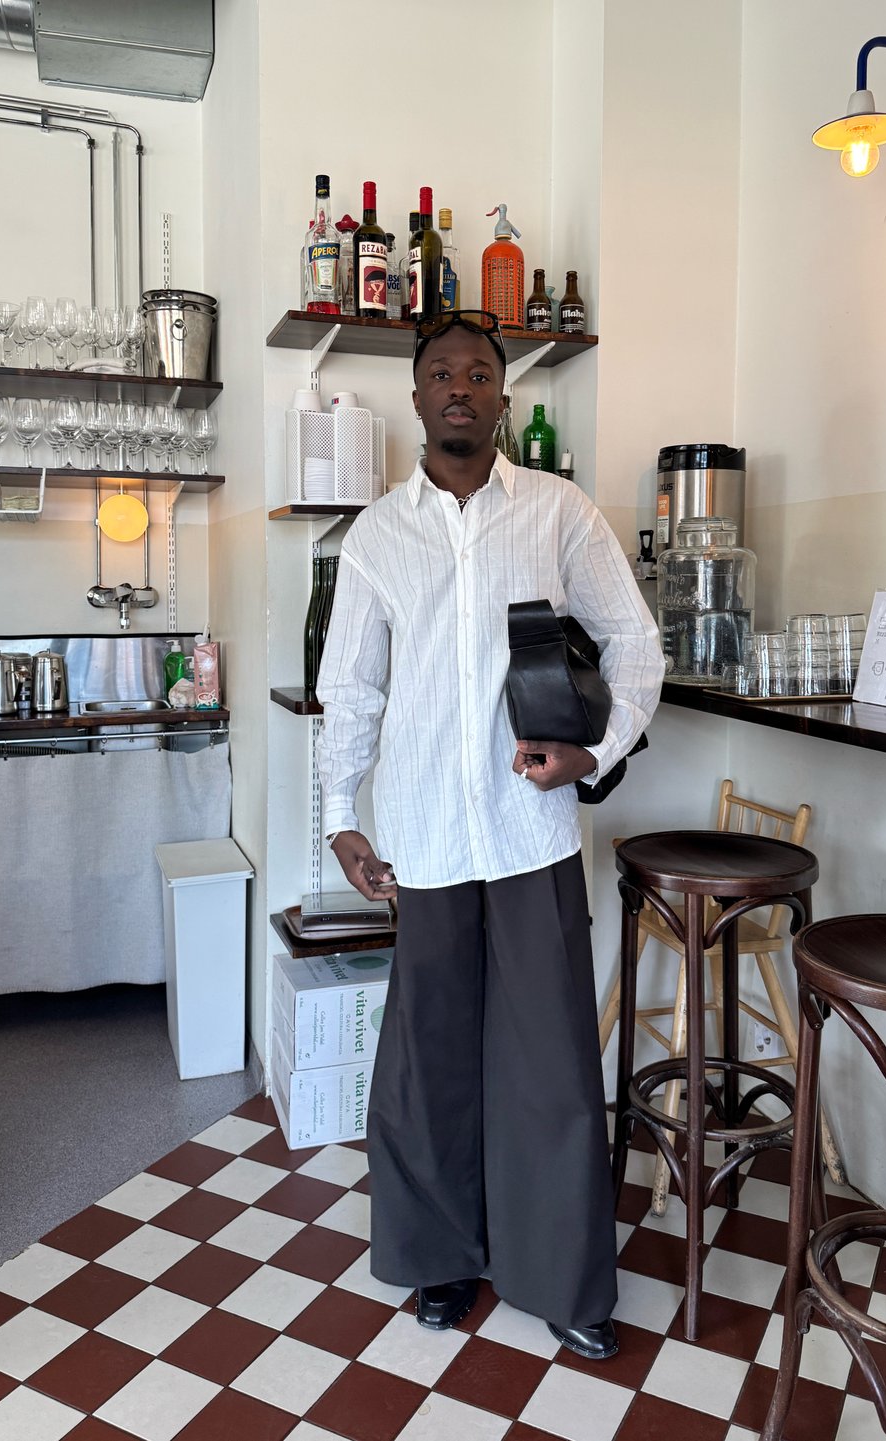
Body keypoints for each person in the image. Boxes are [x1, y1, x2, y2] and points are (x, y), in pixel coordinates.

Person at [316, 309, 665, 1361]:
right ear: (416, 398)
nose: (459, 387)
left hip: (529, 833)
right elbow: (351, 689)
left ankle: (559, 1273)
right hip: (423, 835)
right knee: (429, 1062)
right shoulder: (377, 535)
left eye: (478, 372)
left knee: (549, 1064)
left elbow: (634, 643)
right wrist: (340, 817)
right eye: (441, 373)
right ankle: (442, 1258)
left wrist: (593, 752)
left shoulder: (558, 512)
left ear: (504, 400)